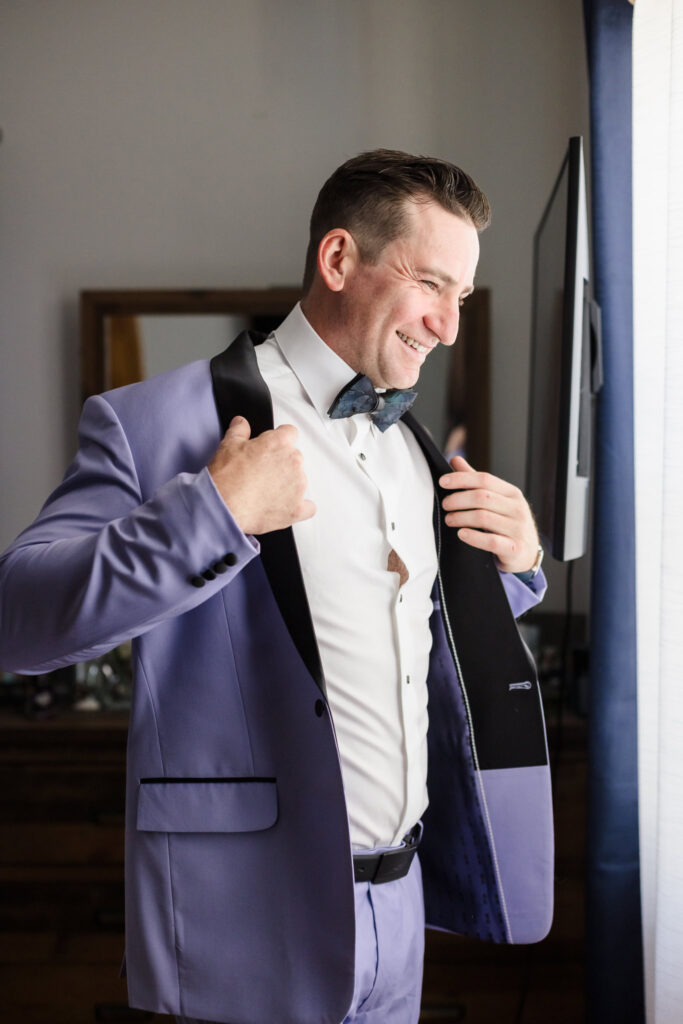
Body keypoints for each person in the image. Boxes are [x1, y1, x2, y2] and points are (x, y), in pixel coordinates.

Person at [0, 150, 552, 1024]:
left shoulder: (414, 450)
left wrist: (515, 571)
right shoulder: (149, 424)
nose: (447, 326)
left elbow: (401, 640)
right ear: (338, 260)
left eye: (463, 298)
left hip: (402, 916)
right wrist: (209, 516)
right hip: (242, 921)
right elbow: (19, 623)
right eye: (431, 286)